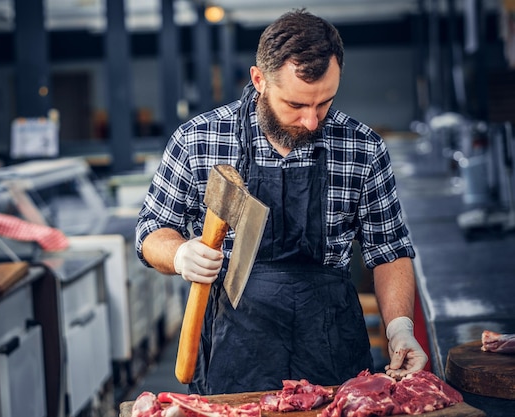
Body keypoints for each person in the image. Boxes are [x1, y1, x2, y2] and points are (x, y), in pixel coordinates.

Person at [135, 9, 428, 395]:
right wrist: (178, 255)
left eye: (324, 103)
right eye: (295, 105)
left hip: (332, 353)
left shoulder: (362, 148)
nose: (311, 121)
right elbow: (151, 229)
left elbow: (388, 250)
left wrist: (399, 330)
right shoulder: (199, 140)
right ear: (259, 80)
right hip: (234, 354)